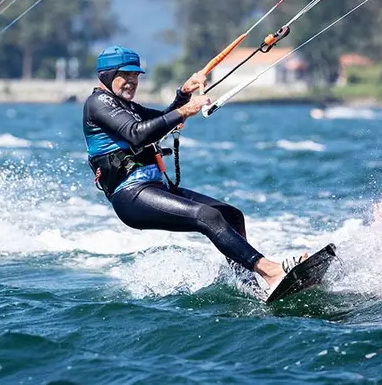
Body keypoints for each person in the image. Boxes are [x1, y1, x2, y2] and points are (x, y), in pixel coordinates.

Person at [82, 45, 306, 296]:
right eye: (127, 76)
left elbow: (162, 123)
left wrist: (182, 95)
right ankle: (272, 271)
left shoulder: (126, 106)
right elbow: (137, 134)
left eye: (136, 76)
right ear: (107, 75)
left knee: (231, 215)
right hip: (130, 195)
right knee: (208, 217)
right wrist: (185, 109)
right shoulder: (98, 103)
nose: (133, 82)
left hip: (153, 188)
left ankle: (251, 287)